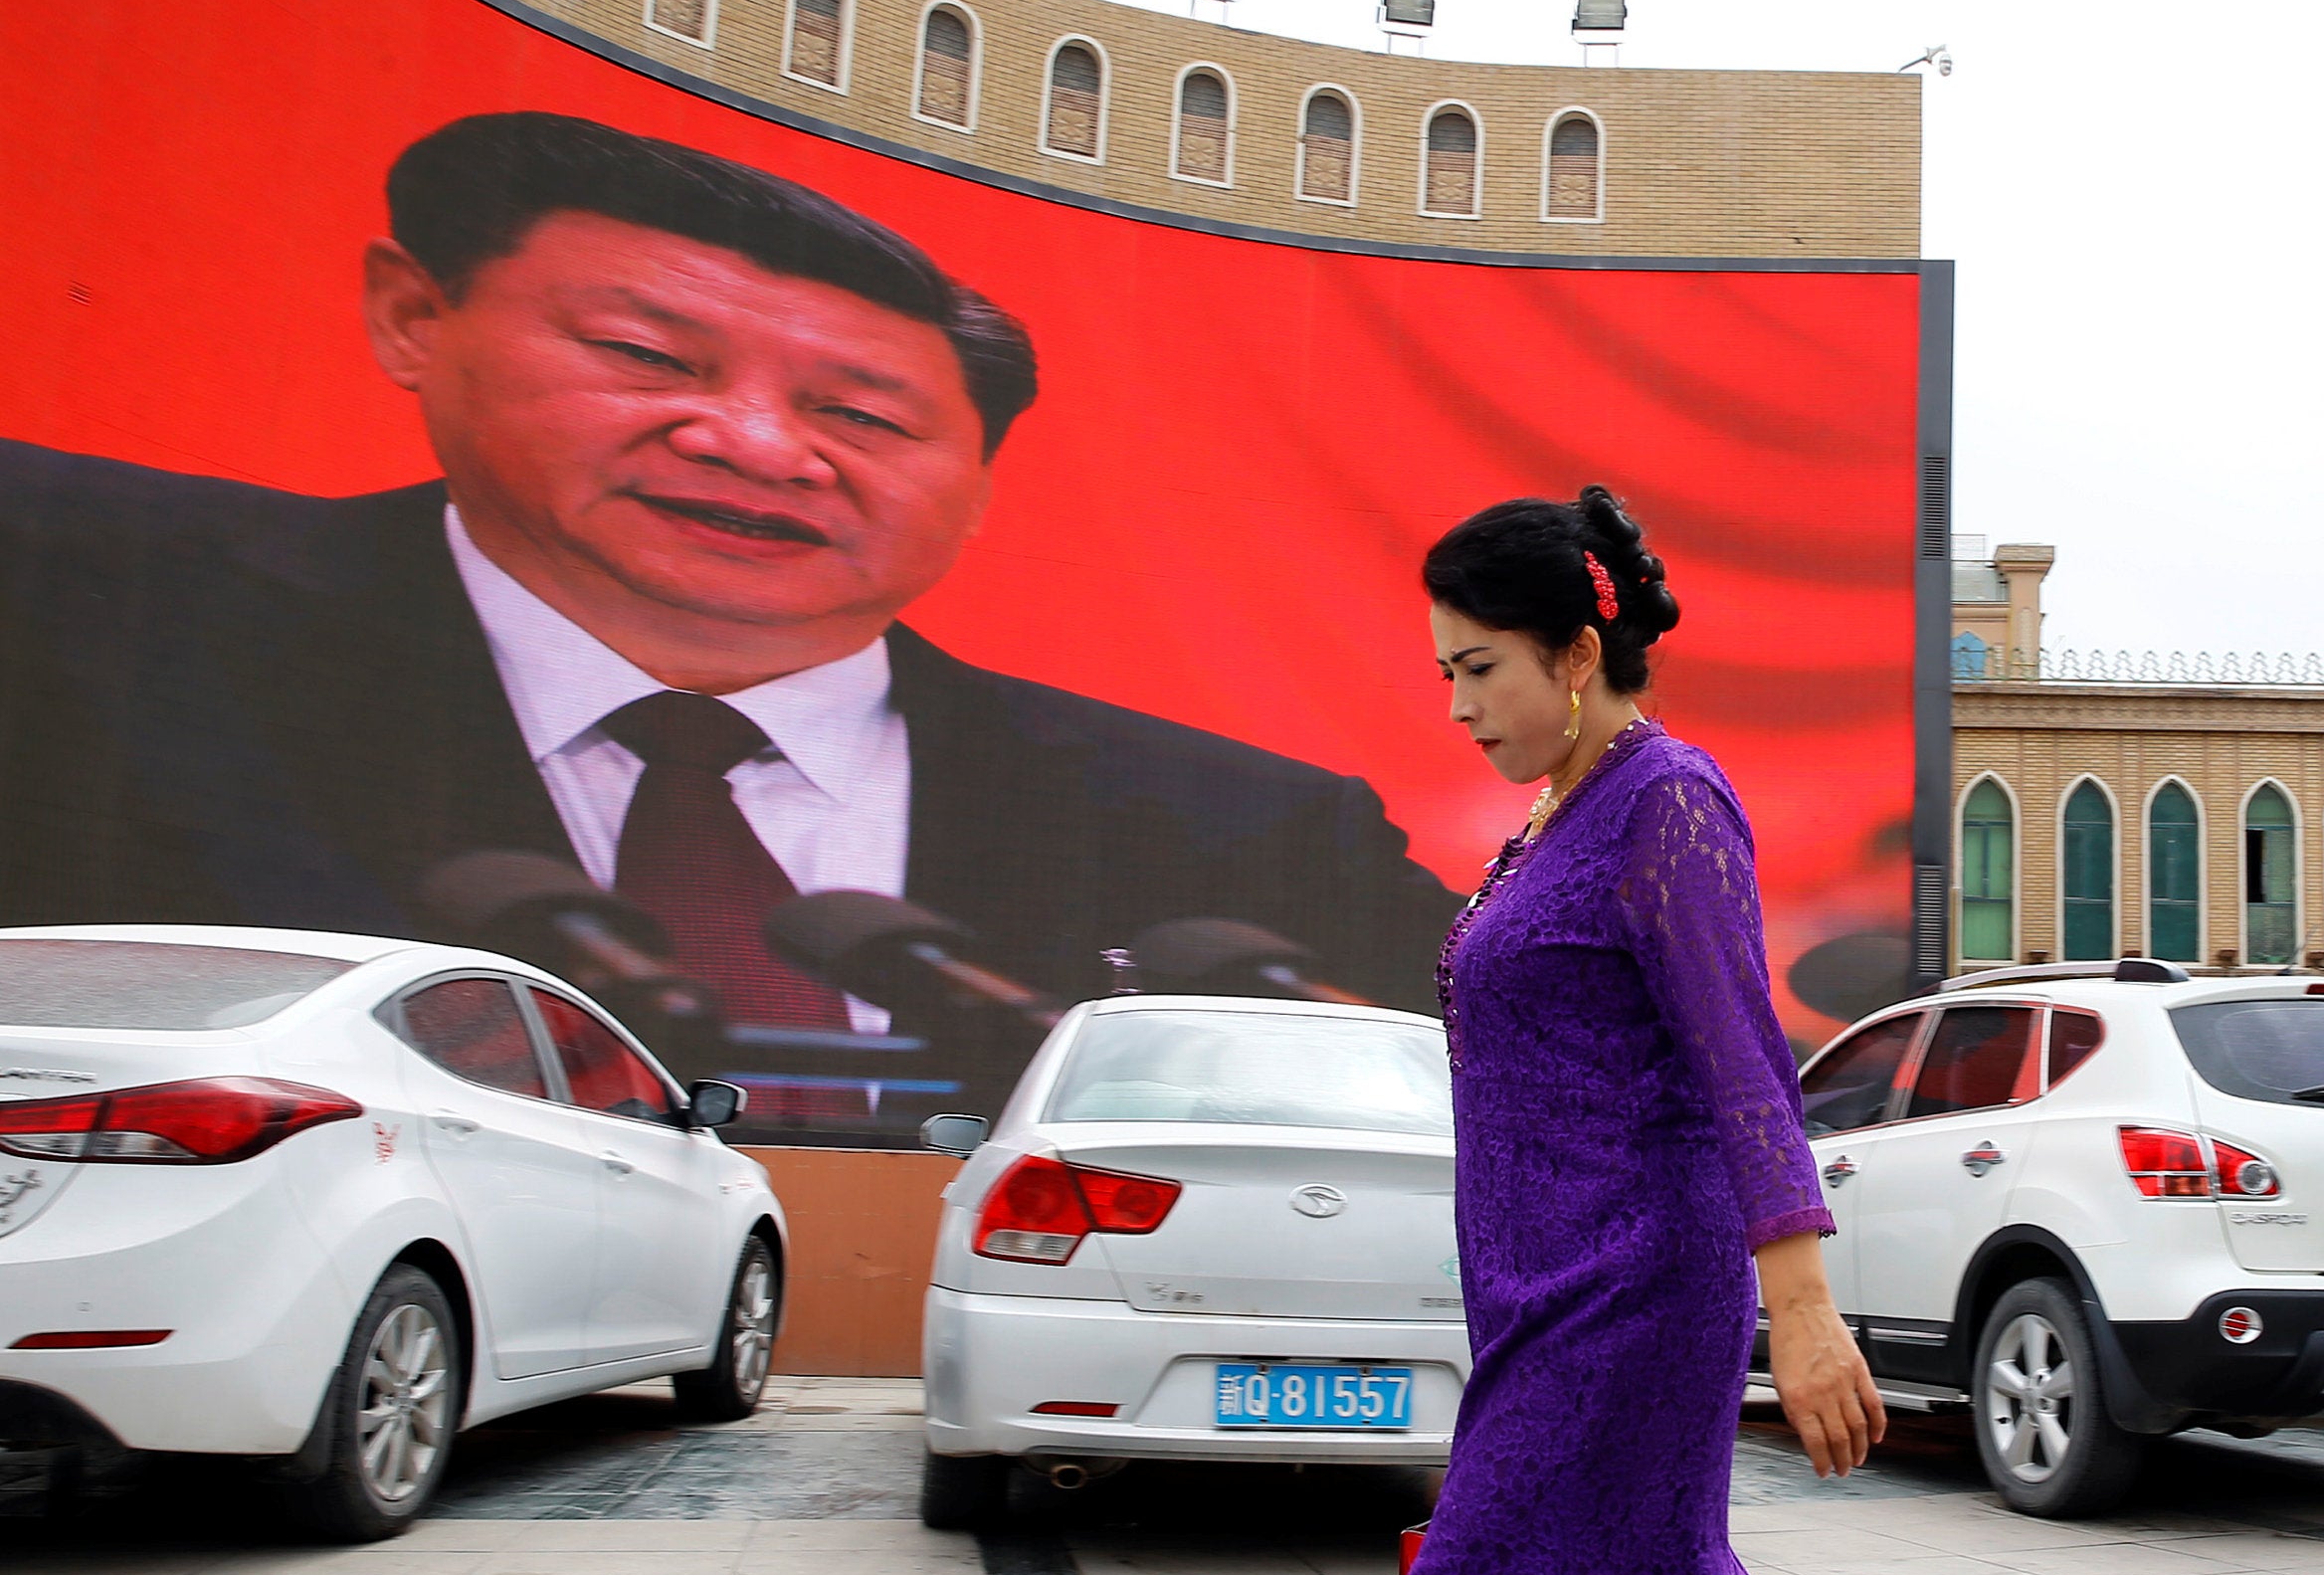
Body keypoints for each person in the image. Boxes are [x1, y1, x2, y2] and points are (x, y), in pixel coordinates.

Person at [0, 110, 1461, 1056]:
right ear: (414, 317)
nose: (758, 447)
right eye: (646, 357)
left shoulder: (1249, 834)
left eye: (863, 417)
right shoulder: (73, 604)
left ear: (978, 487)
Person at [1354, 491, 1974, 1575]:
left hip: (1635, 1292)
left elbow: (1742, 1065)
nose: (1456, 701)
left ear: (1574, 654)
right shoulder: (1556, 821)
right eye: (1443, 670)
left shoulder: (1665, 801)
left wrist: (1805, 1303)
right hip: (1540, 1297)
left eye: (1478, 665)